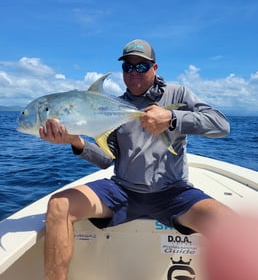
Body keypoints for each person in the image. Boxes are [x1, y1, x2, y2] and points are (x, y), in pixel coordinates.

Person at [40, 39, 233, 280]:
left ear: (155, 68)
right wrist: (75, 141)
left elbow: (221, 125)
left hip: (173, 194)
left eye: (141, 66)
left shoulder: (178, 93)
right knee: (59, 205)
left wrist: (173, 118)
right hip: (122, 192)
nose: (133, 72)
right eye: (127, 67)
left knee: (231, 227)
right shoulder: (114, 107)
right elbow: (105, 160)